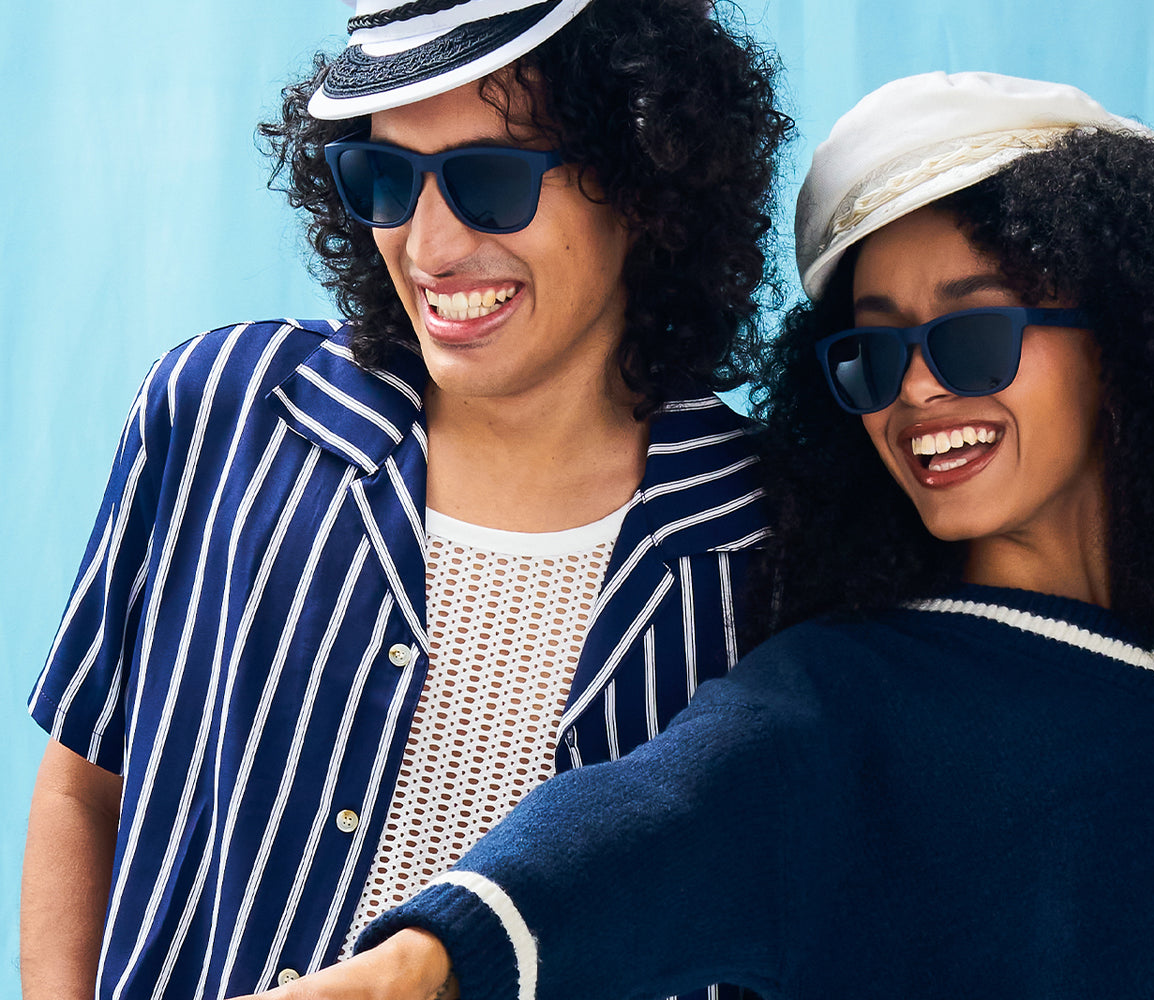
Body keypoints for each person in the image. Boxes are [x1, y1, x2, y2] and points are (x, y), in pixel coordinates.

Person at [227, 71, 1154, 1000]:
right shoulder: (840, 705)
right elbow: (641, 826)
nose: (918, 389)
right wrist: (418, 960)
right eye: (871, 351)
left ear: (1140, 347)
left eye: (974, 329)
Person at [20, 0, 790, 996]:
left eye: (490, 178)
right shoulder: (221, 408)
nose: (429, 244)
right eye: (386, 179)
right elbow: (85, 789)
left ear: (644, 179)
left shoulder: (772, 536)